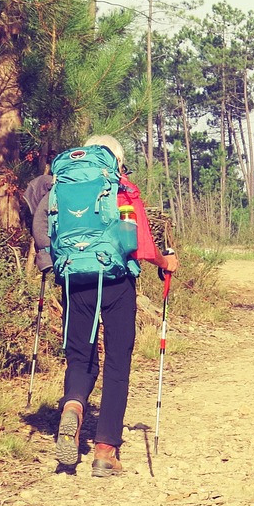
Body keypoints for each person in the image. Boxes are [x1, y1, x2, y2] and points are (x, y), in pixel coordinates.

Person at [31, 134, 178, 477]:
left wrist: (51, 264)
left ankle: (72, 406)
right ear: (117, 160)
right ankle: (104, 451)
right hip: (116, 281)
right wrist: (165, 262)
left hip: (74, 278)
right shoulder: (120, 186)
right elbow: (139, 243)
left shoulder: (60, 185)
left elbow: (42, 229)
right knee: (116, 362)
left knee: (80, 357)